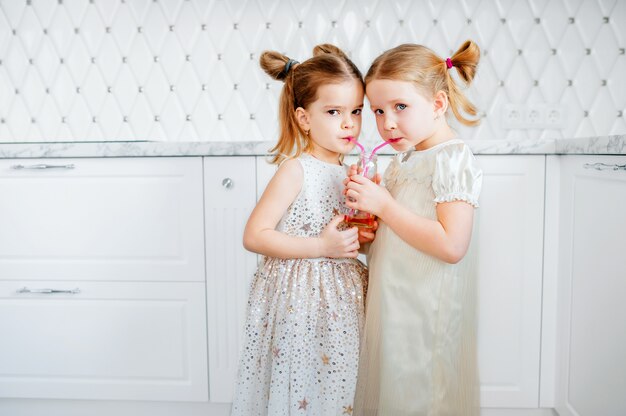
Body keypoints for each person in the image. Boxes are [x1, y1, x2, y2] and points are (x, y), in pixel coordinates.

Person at [345, 40, 484, 416]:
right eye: (377, 110)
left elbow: (452, 246)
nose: (387, 122)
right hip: (394, 304)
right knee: (394, 392)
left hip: (424, 309)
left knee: (420, 394)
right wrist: (367, 232)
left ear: (438, 104)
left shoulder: (452, 159)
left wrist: (385, 206)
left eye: (400, 107)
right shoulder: (403, 160)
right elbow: (397, 233)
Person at [231, 44, 370, 416]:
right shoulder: (297, 170)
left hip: (341, 302)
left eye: (356, 111)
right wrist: (322, 245)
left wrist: (361, 235)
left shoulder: (351, 172)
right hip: (301, 302)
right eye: (334, 112)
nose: (349, 123)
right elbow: (255, 235)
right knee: (302, 381)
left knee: (339, 383)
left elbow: (348, 237)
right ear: (304, 118)